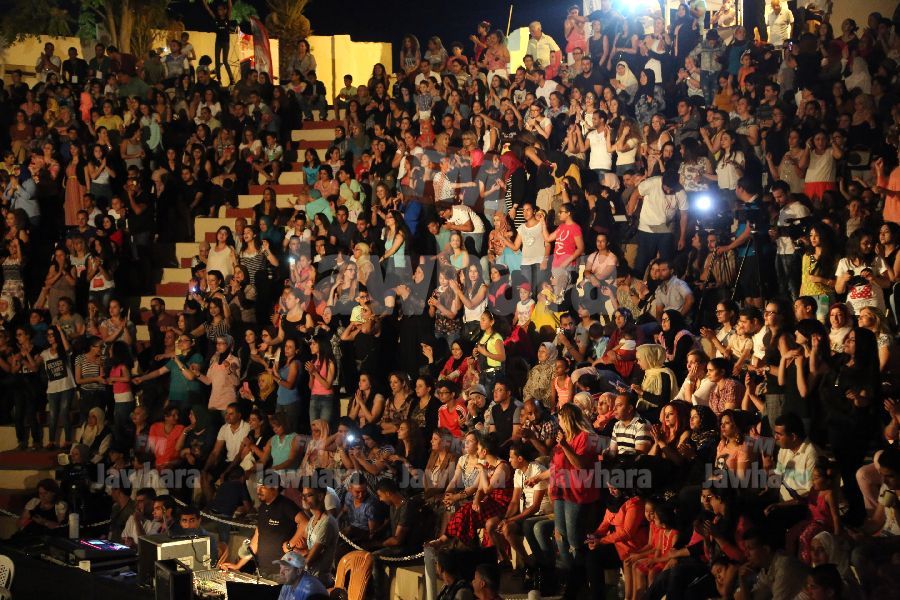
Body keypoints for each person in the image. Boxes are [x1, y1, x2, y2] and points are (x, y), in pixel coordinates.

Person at [222, 470, 306, 579]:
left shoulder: (286, 505)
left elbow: (305, 522)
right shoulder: (262, 508)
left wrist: (290, 545)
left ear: (274, 487)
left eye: (263, 487)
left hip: (282, 571)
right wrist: (238, 565)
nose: (258, 490)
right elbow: (256, 539)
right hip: (263, 570)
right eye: (258, 486)